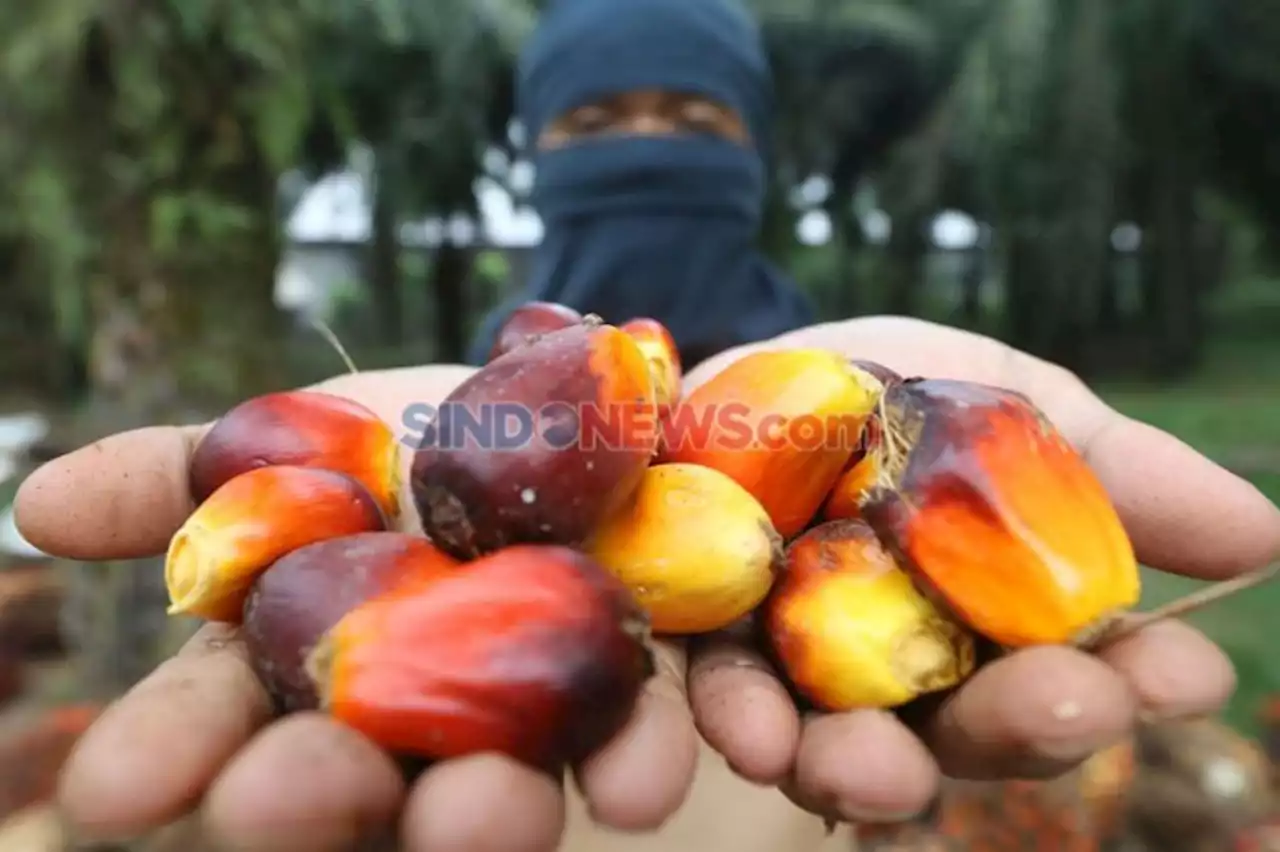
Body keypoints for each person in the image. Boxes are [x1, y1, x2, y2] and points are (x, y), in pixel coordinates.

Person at [15, 315, 1279, 852]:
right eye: (596, 118)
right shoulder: (569, 377)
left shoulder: (820, 388)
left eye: (690, 116)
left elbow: (723, 518)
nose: (645, 145)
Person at [465, 0, 815, 369]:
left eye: (695, 123)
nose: (647, 144)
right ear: (536, 148)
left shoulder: (828, 377)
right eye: (593, 124)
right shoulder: (486, 385)